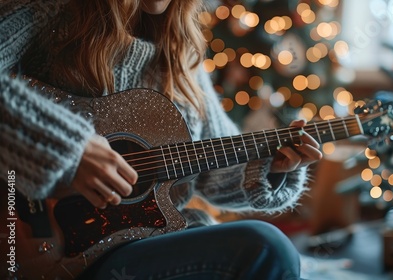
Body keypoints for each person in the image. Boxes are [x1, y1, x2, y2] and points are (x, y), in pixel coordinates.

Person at [0, 0, 323, 279]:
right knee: (265, 248)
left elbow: (213, 169)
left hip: (148, 241)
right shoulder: (46, 12)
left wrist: (273, 167)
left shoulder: (181, 53)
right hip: (40, 250)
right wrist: (69, 148)